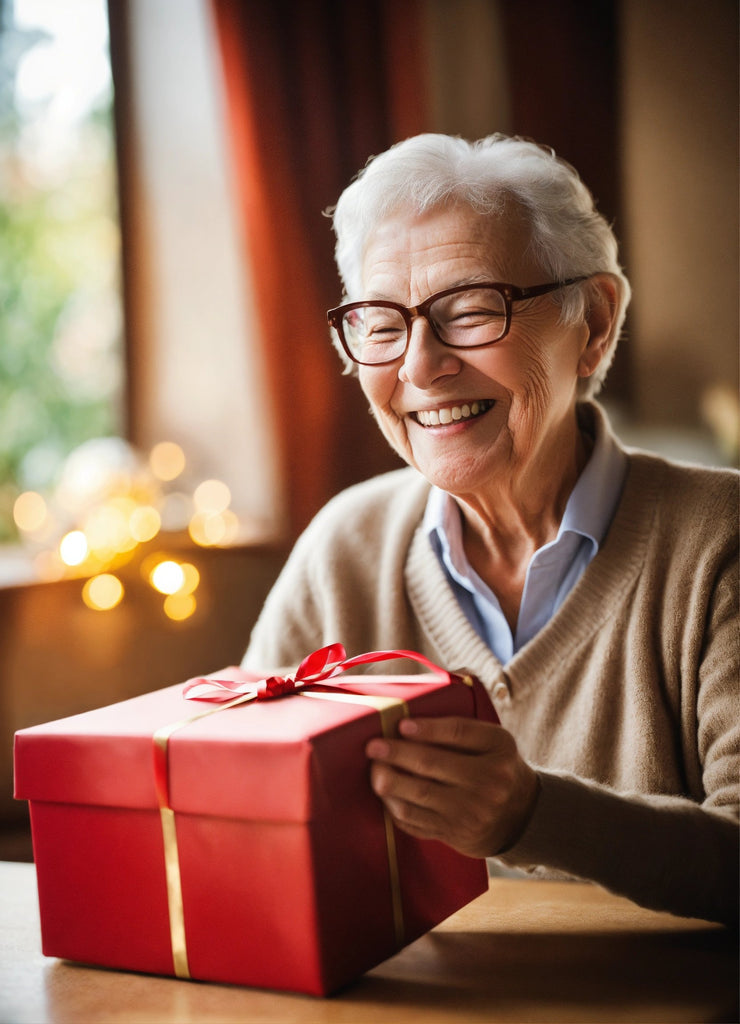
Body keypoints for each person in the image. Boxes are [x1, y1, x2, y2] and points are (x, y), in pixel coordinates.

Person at [242, 134, 738, 926]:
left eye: (471, 310)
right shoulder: (346, 547)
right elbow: (245, 807)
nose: (418, 366)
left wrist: (532, 816)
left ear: (596, 322)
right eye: (380, 322)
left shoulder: (721, 545)